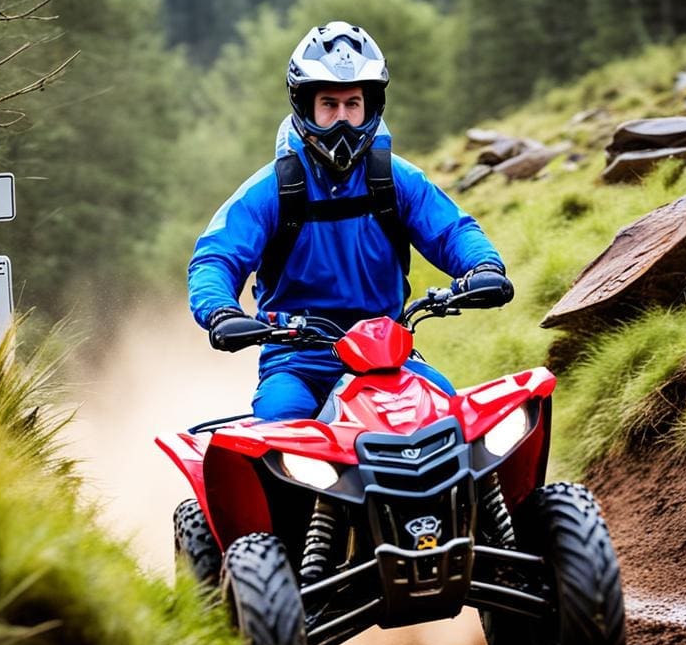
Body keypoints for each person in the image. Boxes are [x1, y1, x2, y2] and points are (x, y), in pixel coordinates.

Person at [188, 21, 512, 421]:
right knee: (278, 426)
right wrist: (221, 312)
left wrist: (484, 267)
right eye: (329, 104)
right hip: (299, 361)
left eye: (352, 104)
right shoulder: (271, 189)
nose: (342, 120)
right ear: (305, 106)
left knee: (451, 417)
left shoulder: (397, 180)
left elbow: (451, 231)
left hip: (388, 351)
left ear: (370, 107)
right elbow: (216, 257)